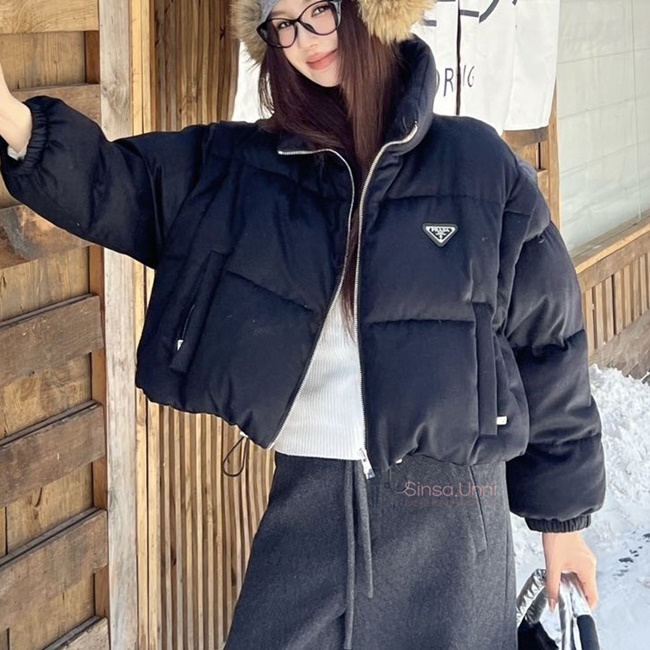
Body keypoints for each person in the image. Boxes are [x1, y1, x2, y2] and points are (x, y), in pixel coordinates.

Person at [0, 0, 606, 648]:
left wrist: (563, 522)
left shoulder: (478, 166)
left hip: (451, 517)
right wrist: (11, 119)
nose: (302, 38)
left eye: (318, 8)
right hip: (308, 499)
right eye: (281, 23)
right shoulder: (250, 168)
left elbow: (549, 341)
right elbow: (118, 184)